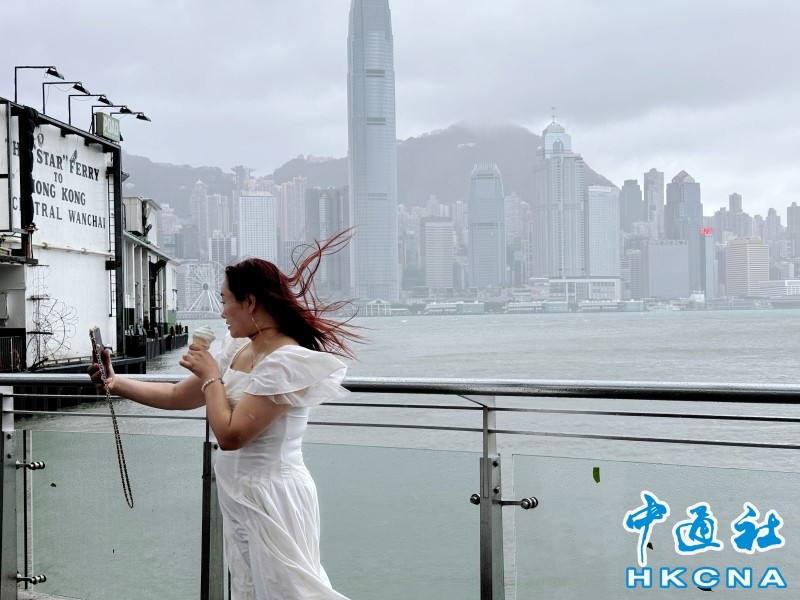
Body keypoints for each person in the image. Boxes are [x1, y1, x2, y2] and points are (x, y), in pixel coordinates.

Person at [89, 230, 359, 600]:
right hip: (239, 495)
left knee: (289, 593)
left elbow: (231, 436)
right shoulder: (240, 348)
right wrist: (115, 382)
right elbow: (177, 396)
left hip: (272, 497)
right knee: (250, 591)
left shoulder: (286, 361)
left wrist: (210, 376)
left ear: (250, 302)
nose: (221, 312)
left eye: (225, 301)